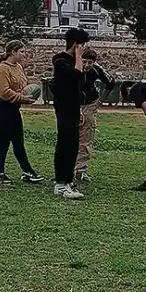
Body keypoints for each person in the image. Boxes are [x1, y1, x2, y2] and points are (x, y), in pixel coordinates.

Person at [0, 40, 44, 186]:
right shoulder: (2, 69)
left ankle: (27, 171)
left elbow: (22, 86)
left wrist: (26, 94)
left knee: (19, 142)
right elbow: (4, 92)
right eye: (21, 51)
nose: (24, 54)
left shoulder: (18, 67)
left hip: (14, 108)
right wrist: (24, 98)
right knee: (4, 142)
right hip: (2, 108)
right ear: (13, 52)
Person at [51, 28, 89, 200]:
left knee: (70, 144)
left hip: (73, 108)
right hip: (64, 108)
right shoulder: (61, 62)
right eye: (82, 45)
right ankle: (64, 182)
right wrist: (79, 57)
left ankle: (64, 181)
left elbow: (78, 87)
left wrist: (79, 108)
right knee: (67, 145)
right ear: (76, 44)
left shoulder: (73, 61)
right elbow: (76, 76)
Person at [76, 48, 114, 184]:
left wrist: (99, 101)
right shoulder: (74, 68)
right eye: (84, 62)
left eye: (90, 63)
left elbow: (110, 82)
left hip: (89, 105)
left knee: (86, 137)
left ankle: (81, 170)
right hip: (74, 104)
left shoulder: (97, 70)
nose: (86, 65)